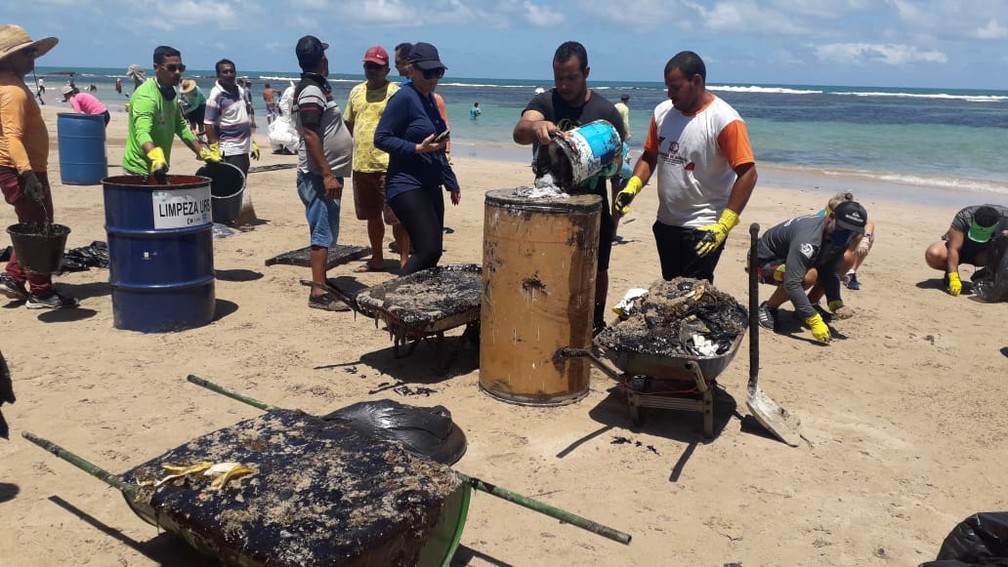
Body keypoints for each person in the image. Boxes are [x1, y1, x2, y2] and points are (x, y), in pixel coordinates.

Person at [512, 40, 626, 335]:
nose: (564, 85)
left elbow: (616, 163)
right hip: (549, 203)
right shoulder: (545, 103)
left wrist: (616, 212)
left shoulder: (605, 111)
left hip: (593, 204)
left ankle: (596, 322)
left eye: (572, 78)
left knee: (598, 267)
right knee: (548, 264)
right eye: (559, 78)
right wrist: (537, 126)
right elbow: (520, 130)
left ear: (586, 72)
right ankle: (549, 319)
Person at [614, 50, 757, 284]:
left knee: (692, 296)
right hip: (667, 222)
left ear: (697, 81)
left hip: (704, 226)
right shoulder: (662, 113)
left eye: (676, 87)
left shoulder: (724, 120)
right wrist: (632, 188)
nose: (670, 94)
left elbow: (748, 173)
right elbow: (650, 156)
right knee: (670, 288)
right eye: (668, 88)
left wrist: (725, 224)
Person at [0, 25, 78, 309]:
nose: (32, 58)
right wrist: (27, 173)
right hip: (21, 168)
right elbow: (12, 136)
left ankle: (15, 277)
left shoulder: (9, 84)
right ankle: (42, 293)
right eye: (26, 53)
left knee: (30, 225)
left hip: (19, 166)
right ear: (8, 58)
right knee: (40, 230)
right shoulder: (12, 92)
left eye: (33, 52)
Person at [375, 42, 460, 276]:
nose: (433, 78)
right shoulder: (404, 98)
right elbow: (380, 138)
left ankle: (415, 302)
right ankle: (391, 298)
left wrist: (451, 181)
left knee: (434, 252)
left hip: (431, 183)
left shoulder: (431, 100)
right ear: (411, 69)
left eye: (438, 72)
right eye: (428, 72)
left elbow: (438, 146)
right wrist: (415, 148)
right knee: (427, 250)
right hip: (405, 184)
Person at [291, 35, 354, 311]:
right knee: (322, 230)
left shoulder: (316, 87)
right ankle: (318, 292)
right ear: (322, 60)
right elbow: (310, 134)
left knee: (325, 228)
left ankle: (322, 281)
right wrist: (327, 174)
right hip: (318, 175)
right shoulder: (311, 91)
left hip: (323, 172)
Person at [753, 201, 869, 344]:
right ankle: (768, 308)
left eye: (853, 231)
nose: (847, 234)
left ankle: (808, 306)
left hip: (792, 259)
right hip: (763, 263)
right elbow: (792, 283)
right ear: (831, 217)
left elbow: (830, 269)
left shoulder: (839, 235)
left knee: (826, 267)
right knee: (808, 277)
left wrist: (834, 301)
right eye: (843, 228)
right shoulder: (808, 238)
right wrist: (813, 319)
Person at [344, 45, 409, 272]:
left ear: (387, 69)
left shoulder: (396, 92)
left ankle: (404, 261)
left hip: (388, 165)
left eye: (377, 67)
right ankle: (377, 258)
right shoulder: (356, 92)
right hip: (361, 165)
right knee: (372, 218)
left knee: (397, 218)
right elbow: (349, 123)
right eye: (369, 66)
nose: (372, 70)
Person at [121, 46, 216, 177]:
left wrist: (202, 152)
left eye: (180, 68)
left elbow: (181, 127)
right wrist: (155, 156)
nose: (177, 73)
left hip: (160, 168)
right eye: (171, 68)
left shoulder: (171, 92)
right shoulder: (146, 97)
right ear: (156, 68)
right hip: (138, 170)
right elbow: (142, 132)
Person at [203, 58, 259, 225]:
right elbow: (208, 123)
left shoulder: (239, 90)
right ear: (218, 74)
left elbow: (243, 116)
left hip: (244, 146)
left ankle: (234, 213)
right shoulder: (216, 95)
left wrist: (252, 141)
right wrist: (214, 147)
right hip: (229, 147)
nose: (228, 74)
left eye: (231, 71)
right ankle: (226, 217)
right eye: (224, 72)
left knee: (243, 180)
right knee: (232, 183)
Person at [925, 204, 1008, 296]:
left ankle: (987, 273)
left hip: (985, 252)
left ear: (997, 224)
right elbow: (954, 248)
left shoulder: (1006, 218)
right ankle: (950, 271)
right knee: (933, 254)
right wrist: (954, 277)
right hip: (962, 248)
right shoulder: (964, 216)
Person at [394, 43, 451, 156]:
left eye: (397, 62)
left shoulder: (432, 97)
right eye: (429, 73)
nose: (395, 66)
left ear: (408, 63)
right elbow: (384, 137)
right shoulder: (403, 93)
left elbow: (444, 129)